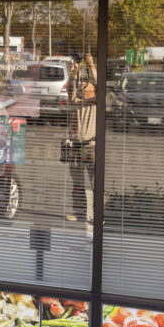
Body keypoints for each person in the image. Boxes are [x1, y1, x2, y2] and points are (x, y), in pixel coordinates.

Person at [65, 53, 97, 223]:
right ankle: (79, 212)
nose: (83, 89)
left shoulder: (96, 103)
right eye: (82, 87)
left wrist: (91, 66)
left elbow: (100, 86)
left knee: (95, 182)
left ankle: (98, 216)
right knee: (77, 182)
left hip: (91, 146)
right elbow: (70, 86)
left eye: (87, 87)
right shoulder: (75, 102)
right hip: (76, 146)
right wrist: (76, 71)